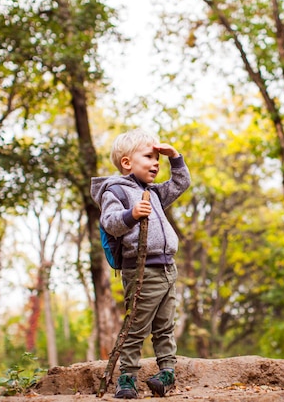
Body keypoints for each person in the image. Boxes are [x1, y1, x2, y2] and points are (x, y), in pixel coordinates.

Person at [90, 128, 191, 399]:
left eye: (158, 158)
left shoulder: (153, 192)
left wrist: (175, 158)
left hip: (168, 268)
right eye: (149, 156)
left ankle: (166, 373)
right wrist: (131, 214)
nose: (156, 163)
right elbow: (110, 223)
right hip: (142, 270)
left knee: (165, 325)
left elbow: (181, 184)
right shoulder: (116, 191)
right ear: (127, 162)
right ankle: (127, 378)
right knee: (136, 326)